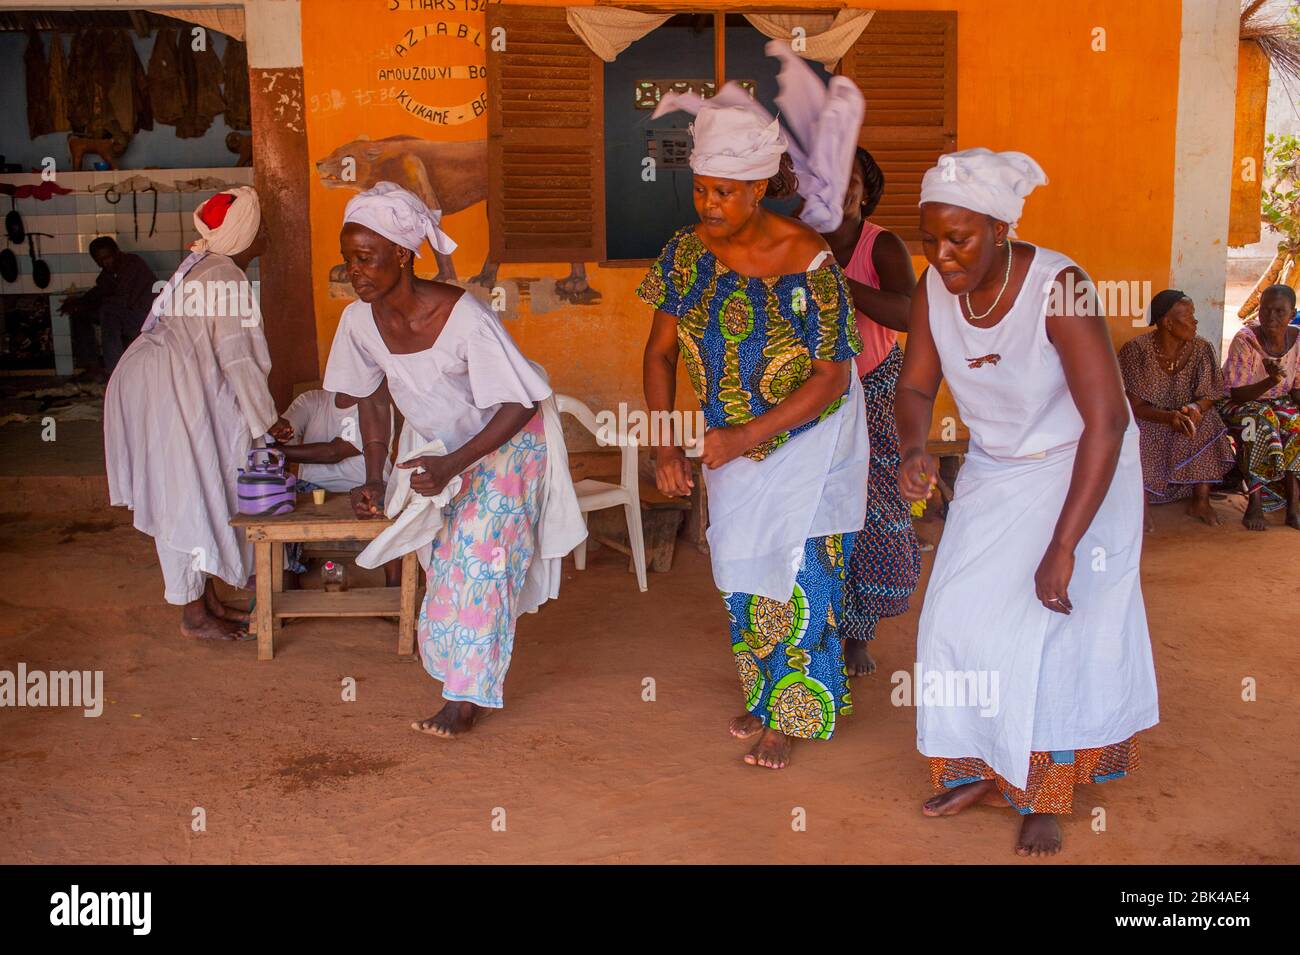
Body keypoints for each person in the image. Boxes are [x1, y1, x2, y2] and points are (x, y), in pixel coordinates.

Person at [895, 148, 1158, 856]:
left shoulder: (1059, 287)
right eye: (931, 238)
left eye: (960, 238)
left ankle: (1044, 791)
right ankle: (985, 762)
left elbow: (1105, 421)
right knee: (956, 614)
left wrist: (1064, 544)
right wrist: (916, 449)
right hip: (997, 465)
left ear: (1001, 230)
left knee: (1051, 630)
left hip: (1085, 463)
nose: (942, 255)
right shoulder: (932, 289)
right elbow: (915, 388)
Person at [640, 91, 867, 771]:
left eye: (726, 193)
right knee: (741, 570)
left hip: (811, 436)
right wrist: (664, 441)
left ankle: (794, 713)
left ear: (761, 186)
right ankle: (767, 694)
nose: (709, 205)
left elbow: (831, 375)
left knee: (800, 575)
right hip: (728, 439)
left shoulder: (809, 259)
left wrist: (747, 436)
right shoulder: (685, 254)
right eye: (702, 189)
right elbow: (659, 352)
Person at [323, 181, 584, 739]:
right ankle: (461, 675)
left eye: (365, 259)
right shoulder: (359, 322)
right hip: (442, 451)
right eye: (348, 260)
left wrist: (454, 465)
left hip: (509, 445)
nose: (355, 272)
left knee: (481, 564)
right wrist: (372, 475)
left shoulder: (464, 318)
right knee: (446, 563)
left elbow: (519, 402)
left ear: (401, 253)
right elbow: (369, 394)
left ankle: (463, 700)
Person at [104, 187, 274, 641]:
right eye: (263, 228)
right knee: (182, 492)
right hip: (163, 386)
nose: (267, 236)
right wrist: (267, 423)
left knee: (186, 486)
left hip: (149, 379)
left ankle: (205, 600)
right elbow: (238, 359)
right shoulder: (225, 275)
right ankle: (193, 613)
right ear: (245, 236)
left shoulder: (204, 266)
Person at [820, 147, 921, 676]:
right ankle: (815, 627)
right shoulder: (795, 240)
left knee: (874, 514)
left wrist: (839, 284)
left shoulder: (881, 246)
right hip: (809, 394)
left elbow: (908, 313)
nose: (839, 189)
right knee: (816, 516)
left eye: (850, 179)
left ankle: (857, 635)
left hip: (874, 388)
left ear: (866, 187)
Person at [1116, 289, 1234, 529]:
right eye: (1188, 316)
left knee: (1208, 420)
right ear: (1167, 323)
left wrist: (1194, 408)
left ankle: (1200, 501)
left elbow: (1211, 394)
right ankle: (1141, 504)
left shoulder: (1202, 348)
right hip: (1150, 417)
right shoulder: (1136, 351)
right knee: (1135, 429)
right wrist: (1168, 417)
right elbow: (1134, 406)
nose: (1195, 321)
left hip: (1184, 416)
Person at [268, 387, 399, 586]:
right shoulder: (311, 399)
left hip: (363, 489)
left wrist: (278, 451)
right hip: (310, 493)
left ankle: (395, 592)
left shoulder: (375, 405)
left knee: (387, 506)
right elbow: (283, 432)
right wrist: (278, 432)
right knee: (280, 509)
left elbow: (334, 452)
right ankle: (288, 589)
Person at [1219, 283, 1300, 530]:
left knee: (1295, 425)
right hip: (1238, 404)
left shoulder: (1298, 339)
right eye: (1265, 310)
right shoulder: (1246, 339)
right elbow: (1237, 394)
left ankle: (1293, 505)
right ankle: (1255, 502)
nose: (1271, 317)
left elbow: (1295, 389)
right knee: (1261, 424)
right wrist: (1271, 380)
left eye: (1279, 311)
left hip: (1278, 403)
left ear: (1292, 312)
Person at [62, 236, 158, 378]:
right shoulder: (108, 273)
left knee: (109, 312)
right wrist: (78, 303)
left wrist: (87, 304)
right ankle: (92, 366)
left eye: (108, 257)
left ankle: (114, 372)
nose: (105, 262)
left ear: (117, 252)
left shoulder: (133, 264)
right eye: (100, 260)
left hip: (145, 318)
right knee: (80, 315)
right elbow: (100, 290)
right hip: (125, 315)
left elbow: (122, 299)